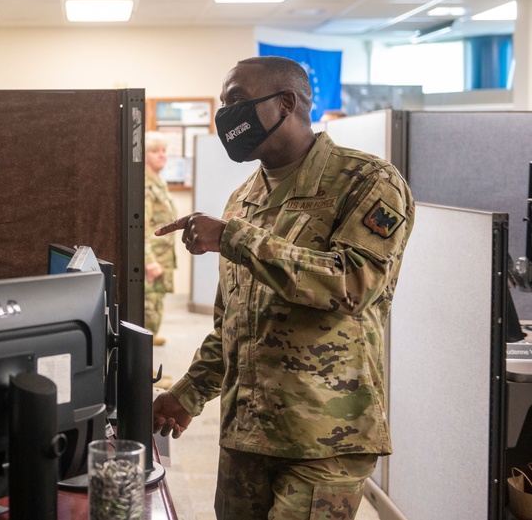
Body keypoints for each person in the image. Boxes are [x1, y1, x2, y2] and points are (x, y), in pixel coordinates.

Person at [152, 56, 414, 520]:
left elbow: (352, 283)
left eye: (236, 100)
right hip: (246, 435)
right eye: (222, 103)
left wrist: (233, 237)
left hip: (322, 439)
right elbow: (235, 321)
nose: (226, 115)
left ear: (286, 103)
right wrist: (188, 393)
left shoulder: (367, 181)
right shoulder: (244, 199)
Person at [144, 131, 177, 347]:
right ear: (144, 155)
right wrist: (149, 261)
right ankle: (144, 372)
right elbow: (141, 227)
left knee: (156, 304)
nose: (162, 155)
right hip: (152, 257)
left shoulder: (159, 182)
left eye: (164, 151)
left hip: (163, 255)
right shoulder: (145, 186)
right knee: (148, 308)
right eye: (156, 151)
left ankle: (151, 338)